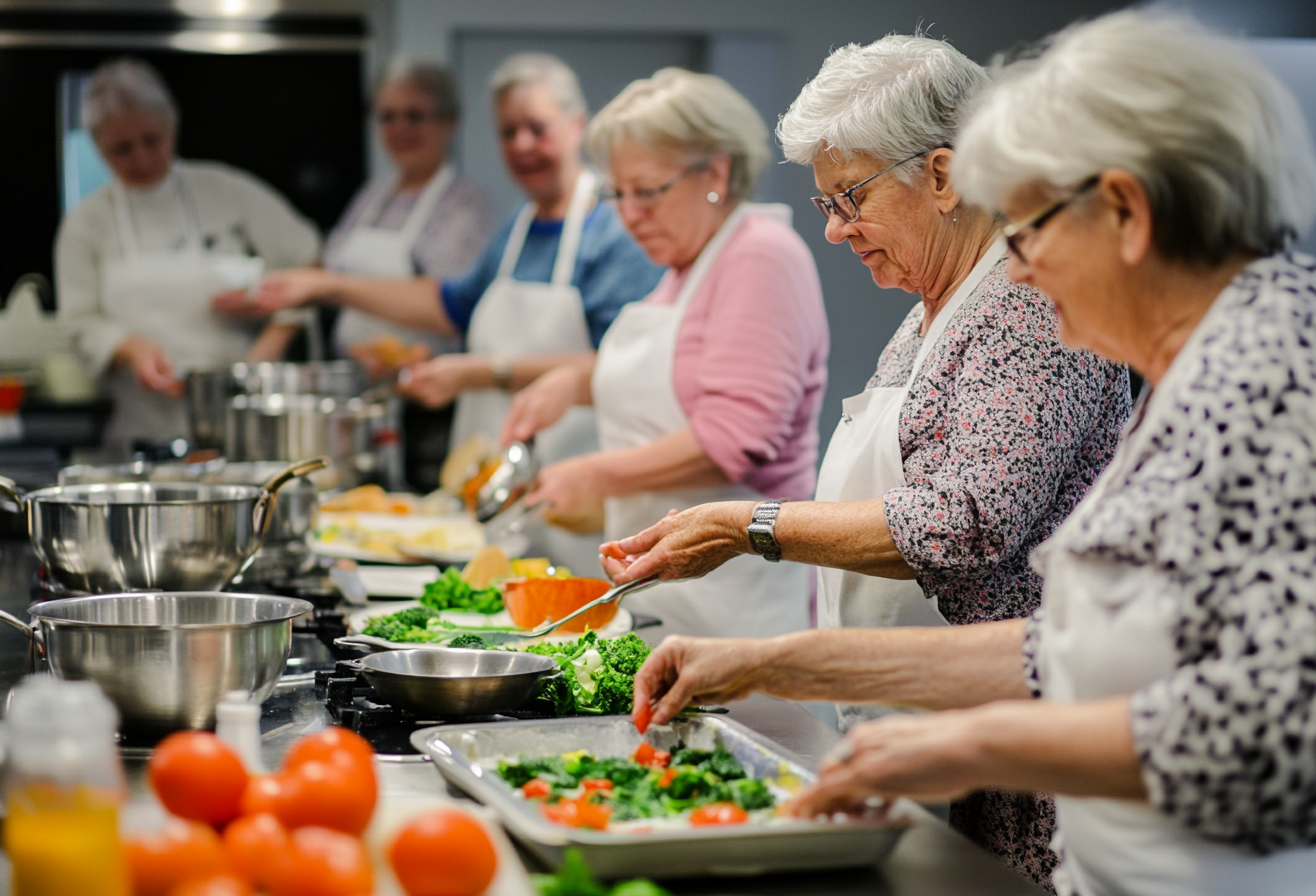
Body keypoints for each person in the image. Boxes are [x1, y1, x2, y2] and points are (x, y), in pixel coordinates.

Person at [632, 12, 1316, 896]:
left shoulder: (1278, 363)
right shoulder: (1208, 361)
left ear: (1124, 211)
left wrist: (968, 741)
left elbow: (1294, 736)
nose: (1019, 267)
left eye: (1030, 225)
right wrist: (773, 662)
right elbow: (1071, 651)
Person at [598, 37, 1131, 887]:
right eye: (824, 205)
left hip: (1021, 768)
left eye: (850, 197)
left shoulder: (1027, 306)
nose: (837, 229)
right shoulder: (931, 309)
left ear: (945, 177)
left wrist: (750, 525)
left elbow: (962, 522)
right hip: (930, 728)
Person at [502, 69, 828, 641]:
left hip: (735, 601)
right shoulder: (686, 267)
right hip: (670, 591)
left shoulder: (760, 255)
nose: (629, 215)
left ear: (717, 173)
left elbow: (736, 439)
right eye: (617, 194)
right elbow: (684, 372)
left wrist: (592, 474)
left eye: (648, 191)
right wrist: (572, 382)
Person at [245, 53, 663, 466]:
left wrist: (477, 373)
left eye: (537, 128)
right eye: (508, 131)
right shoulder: (519, 222)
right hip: (493, 462)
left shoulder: (613, 227)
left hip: (576, 468)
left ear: (577, 125)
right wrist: (328, 287)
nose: (522, 145)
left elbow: (618, 362)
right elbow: (453, 305)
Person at [55, 57, 320, 457]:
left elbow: (309, 264)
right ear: (97, 146)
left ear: (173, 125)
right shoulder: (86, 223)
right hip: (142, 431)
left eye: (152, 140)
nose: (142, 159)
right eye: (122, 149)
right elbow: (79, 323)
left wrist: (269, 342)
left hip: (242, 422)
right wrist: (131, 349)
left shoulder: (228, 191)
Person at [255, 59, 492, 365]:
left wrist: (332, 287)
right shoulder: (374, 195)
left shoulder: (464, 203)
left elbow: (449, 303)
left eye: (414, 116)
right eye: (387, 117)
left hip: (424, 385)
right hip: (354, 373)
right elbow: (329, 266)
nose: (400, 129)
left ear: (449, 121)